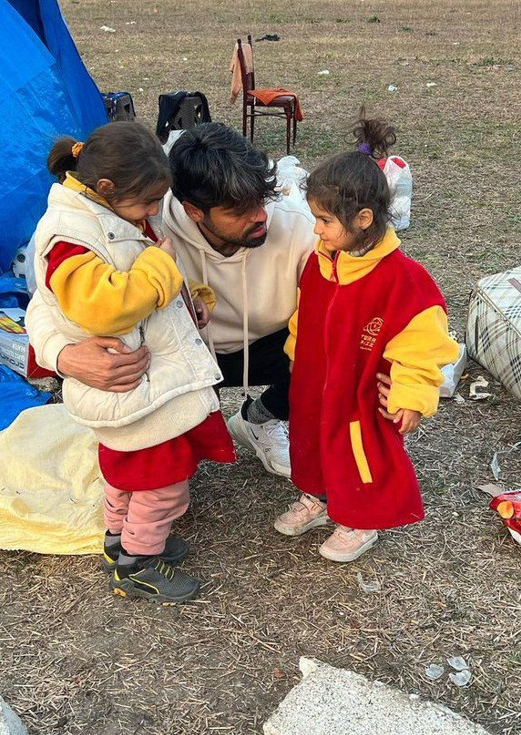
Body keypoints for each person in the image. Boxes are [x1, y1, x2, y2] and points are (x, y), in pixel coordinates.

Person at [28, 123, 315, 478]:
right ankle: (143, 450)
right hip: (178, 355)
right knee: (102, 353)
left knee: (339, 356)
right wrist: (63, 356)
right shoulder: (142, 210)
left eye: (261, 200)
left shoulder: (299, 226)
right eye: (239, 210)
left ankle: (261, 418)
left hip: (272, 346)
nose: (259, 217)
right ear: (194, 211)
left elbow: (344, 306)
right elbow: (46, 299)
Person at [28, 121, 235, 604]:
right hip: (133, 388)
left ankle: (119, 542)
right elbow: (103, 305)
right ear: (106, 188)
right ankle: (138, 564)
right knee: (162, 484)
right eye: (147, 204)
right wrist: (162, 268)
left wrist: (188, 297)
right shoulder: (70, 236)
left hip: (140, 385)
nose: (152, 214)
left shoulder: (109, 214)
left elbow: (141, 276)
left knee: (126, 475)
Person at [274, 128, 460, 562]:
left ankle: (361, 520)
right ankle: (318, 498)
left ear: (362, 219)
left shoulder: (404, 280)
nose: (316, 231)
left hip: (362, 394)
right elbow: (304, 316)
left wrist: (412, 395)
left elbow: (424, 344)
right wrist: (296, 360)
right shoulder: (321, 262)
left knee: (360, 454)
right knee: (311, 441)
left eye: (324, 221)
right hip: (315, 383)